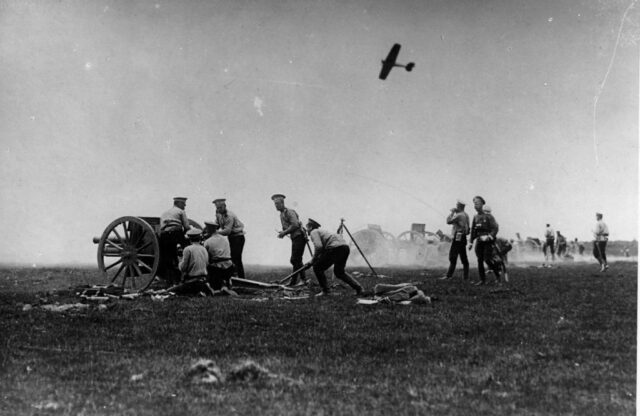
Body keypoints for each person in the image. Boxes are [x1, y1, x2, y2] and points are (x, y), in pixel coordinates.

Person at [304, 218, 364, 296]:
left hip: (335, 249)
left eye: (307, 228)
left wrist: (312, 261)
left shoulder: (313, 232)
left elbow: (319, 247)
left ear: (311, 227)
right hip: (344, 248)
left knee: (317, 267)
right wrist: (315, 259)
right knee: (339, 272)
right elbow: (323, 250)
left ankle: (326, 291)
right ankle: (359, 288)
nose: (306, 230)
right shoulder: (323, 232)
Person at [272, 194, 307, 286]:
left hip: (299, 237)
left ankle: (297, 280)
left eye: (277, 203)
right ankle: (301, 280)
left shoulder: (289, 212)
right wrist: (283, 232)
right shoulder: (281, 214)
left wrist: (284, 232)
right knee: (297, 260)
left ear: (282, 203)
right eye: (275, 204)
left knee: (295, 259)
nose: (276, 205)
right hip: (295, 238)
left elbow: (295, 225)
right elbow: (288, 228)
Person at [468, 197, 502, 285]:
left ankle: (498, 276)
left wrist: (489, 236)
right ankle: (482, 280)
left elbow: (495, 228)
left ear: (483, 204)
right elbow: (473, 231)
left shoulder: (488, 216)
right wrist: (471, 242)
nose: (476, 205)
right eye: (474, 203)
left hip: (488, 241)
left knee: (487, 259)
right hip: (479, 241)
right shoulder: (475, 217)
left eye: (478, 203)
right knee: (479, 260)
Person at [159, 197, 191, 284]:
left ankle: (169, 279)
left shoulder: (164, 213)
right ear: (178, 203)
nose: (185, 205)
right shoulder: (181, 211)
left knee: (168, 257)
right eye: (183, 204)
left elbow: (161, 227)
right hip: (176, 234)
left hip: (164, 236)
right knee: (188, 250)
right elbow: (187, 227)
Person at [213, 198, 246, 279]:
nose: (218, 209)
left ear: (224, 206)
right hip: (231, 238)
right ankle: (234, 277)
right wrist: (208, 229)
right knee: (231, 258)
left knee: (236, 258)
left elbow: (227, 231)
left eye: (220, 207)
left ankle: (241, 279)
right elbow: (216, 224)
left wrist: (214, 233)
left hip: (238, 237)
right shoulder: (218, 213)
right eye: (217, 208)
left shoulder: (229, 216)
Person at [440, 199, 470, 281]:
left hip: (458, 236)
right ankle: (465, 277)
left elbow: (448, 221)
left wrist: (452, 212)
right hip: (463, 237)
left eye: (457, 205)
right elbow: (468, 228)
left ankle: (449, 275)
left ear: (459, 206)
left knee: (453, 256)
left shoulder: (459, 215)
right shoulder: (466, 215)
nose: (455, 206)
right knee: (464, 257)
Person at [203, 220, 235, 290]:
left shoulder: (208, 242)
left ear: (209, 229)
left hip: (217, 269)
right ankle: (226, 281)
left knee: (206, 266)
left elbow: (205, 258)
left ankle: (217, 284)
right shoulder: (225, 239)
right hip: (229, 267)